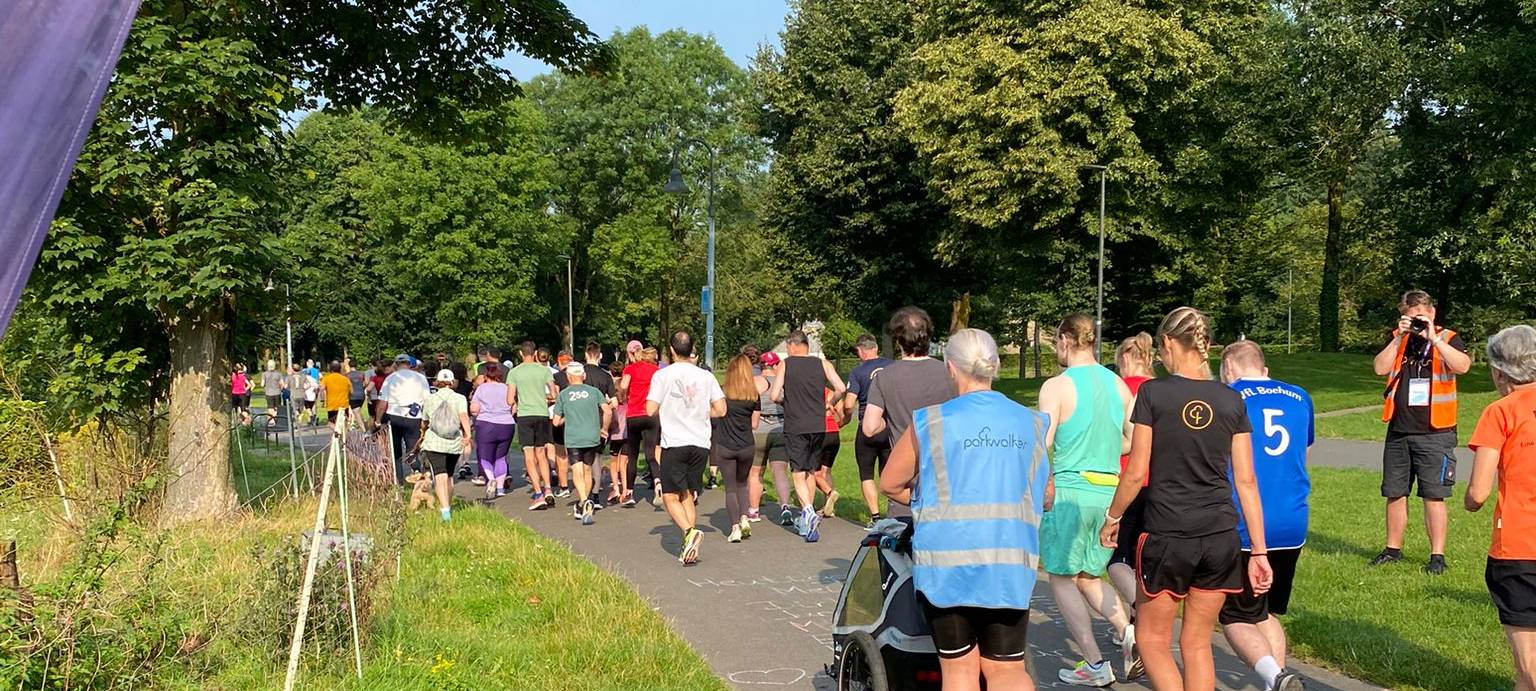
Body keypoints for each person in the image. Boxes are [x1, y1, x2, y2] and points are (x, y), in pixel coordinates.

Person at [1099, 306, 1273, 691]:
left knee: (1151, 639)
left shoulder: (1153, 393)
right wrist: (1259, 551)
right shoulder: (1231, 400)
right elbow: (1245, 480)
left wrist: (1113, 517)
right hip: (1220, 537)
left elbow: (1135, 470)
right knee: (1196, 643)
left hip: (1168, 535)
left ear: (1166, 344)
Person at [879, 328, 1050, 690]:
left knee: (959, 671)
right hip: (1008, 561)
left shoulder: (932, 421)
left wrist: (927, 503)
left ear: (950, 367)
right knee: (1007, 670)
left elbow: (890, 483)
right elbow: (1045, 495)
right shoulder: (1031, 422)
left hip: (948, 565)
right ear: (996, 365)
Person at [1036, 314, 1135, 686]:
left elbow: (1041, 444)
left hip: (1071, 488)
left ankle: (1094, 662)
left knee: (1060, 576)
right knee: (1089, 576)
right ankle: (1128, 632)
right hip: (1109, 489)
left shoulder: (1057, 386)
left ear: (1065, 340)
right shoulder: (1118, 385)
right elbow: (1130, 439)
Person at [1216, 340, 1313, 691]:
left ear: (1228, 369)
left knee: (1235, 615)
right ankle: (1280, 681)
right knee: (1266, 610)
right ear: (1264, 369)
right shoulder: (1300, 396)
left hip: (1245, 520)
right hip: (1293, 518)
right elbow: (1303, 448)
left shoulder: (1228, 398)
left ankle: (1276, 677)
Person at [1370, 289, 1471, 574]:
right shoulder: (1398, 339)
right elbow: (1379, 368)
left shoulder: (1448, 338)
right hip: (1399, 428)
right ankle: (1392, 550)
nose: (1416, 322)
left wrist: (1434, 338)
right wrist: (1400, 336)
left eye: (1421, 317)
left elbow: (1462, 366)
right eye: (1410, 317)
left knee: (1433, 494)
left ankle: (1437, 556)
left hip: (1435, 430)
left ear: (1432, 313)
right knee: (1394, 492)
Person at [1465, 324, 1536, 691]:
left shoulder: (1499, 412)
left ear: (1498, 371)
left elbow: (1478, 492)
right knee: (1521, 675)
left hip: (1520, 547)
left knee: (1529, 662)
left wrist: (1468, 500)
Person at [863, 306, 957, 518]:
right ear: (928, 336)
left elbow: (869, 428)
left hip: (905, 486)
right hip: (948, 482)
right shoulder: (950, 374)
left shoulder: (885, 377)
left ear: (898, 340)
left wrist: (890, 418)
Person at [645, 331, 726, 565]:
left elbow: (650, 408)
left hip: (675, 442)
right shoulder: (706, 376)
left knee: (670, 496)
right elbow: (721, 410)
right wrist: (700, 412)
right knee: (688, 494)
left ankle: (690, 532)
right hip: (701, 442)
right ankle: (689, 543)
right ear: (692, 349)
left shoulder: (662, 375)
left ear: (671, 350)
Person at [769, 330, 847, 543]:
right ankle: (807, 518)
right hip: (818, 424)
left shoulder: (787, 364)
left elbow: (774, 394)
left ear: (793, 346)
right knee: (811, 470)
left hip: (796, 424)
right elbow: (840, 387)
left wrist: (786, 401)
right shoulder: (822, 363)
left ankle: (808, 510)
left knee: (797, 472)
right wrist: (829, 403)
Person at [1106, 333, 1156, 635]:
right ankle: (1141, 623)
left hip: (1127, 482)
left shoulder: (1122, 391)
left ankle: (1140, 612)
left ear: (1125, 358)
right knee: (1144, 559)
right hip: (1161, 484)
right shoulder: (1162, 389)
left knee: (1117, 558)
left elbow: (1126, 440)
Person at [843, 333, 893, 526]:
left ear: (860, 351)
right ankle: (893, 514)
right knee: (889, 471)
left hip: (867, 426)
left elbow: (849, 403)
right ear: (876, 348)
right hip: (889, 425)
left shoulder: (857, 372)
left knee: (866, 473)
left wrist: (847, 415)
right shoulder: (892, 366)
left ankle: (875, 517)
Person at [553, 362, 612, 525]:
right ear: (584, 376)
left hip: (573, 437)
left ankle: (584, 500)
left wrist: (566, 418)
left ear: (568, 377)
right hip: (592, 436)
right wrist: (604, 428)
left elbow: (556, 421)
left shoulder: (564, 394)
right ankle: (584, 503)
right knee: (588, 470)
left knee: (577, 471)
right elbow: (607, 410)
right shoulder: (594, 392)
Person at [713, 354, 761, 543]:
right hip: (747, 445)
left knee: (730, 488)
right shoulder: (753, 395)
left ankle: (734, 528)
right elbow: (755, 424)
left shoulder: (723, 393)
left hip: (726, 445)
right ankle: (744, 516)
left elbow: (716, 414)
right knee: (743, 484)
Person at [508, 341, 560, 510]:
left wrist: (517, 400)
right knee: (542, 452)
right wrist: (545, 399)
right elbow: (554, 394)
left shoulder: (514, 372)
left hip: (525, 415)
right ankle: (548, 489)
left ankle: (538, 494)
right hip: (542, 414)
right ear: (536, 353)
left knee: (529, 455)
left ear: (521, 354)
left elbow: (509, 400)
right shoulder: (544, 370)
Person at [418, 368, 471, 522]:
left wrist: (422, 432)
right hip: (454, 442)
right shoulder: (460, 398)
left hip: (434, 442)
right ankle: (447, 504)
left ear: (438, 382)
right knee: (449, 476)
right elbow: (463, 416)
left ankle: (445, 510)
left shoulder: (430, 399)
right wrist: (468, 435)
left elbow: (425, 421)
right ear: (452, 382)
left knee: (439, 475)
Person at [751, 351, 794, 525]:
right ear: (776, 365)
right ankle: (785, 507)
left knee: (755, 473)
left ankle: (754, 511)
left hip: (758, 430)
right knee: (779, 472)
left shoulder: (754, 382)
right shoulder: (782, 383)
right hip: (780, 428)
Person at [618, 341, 661, 503]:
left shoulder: (630, 369)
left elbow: (623, 385)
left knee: (633, 455)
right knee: (651, 453)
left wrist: (624, 395)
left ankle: (628, 492)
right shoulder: (655, 371)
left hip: (634, 414)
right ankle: (657, 480)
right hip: (651, 414)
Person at [377, 354, 430, 485]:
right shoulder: (420, 378)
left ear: (396, 364)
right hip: (414, 416)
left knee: (396, 451)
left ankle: (398, 481)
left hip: (394, 415)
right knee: (413, 449)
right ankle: (417, 474)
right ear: (410, 365)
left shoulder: (391, 378)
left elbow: (382, 402)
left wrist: (378, 419)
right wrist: (427, 419)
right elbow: (427, 400)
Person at [469, 363, 516, 499]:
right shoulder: (507, 388)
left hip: (486, 425)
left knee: (485, 457)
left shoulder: (482, 389)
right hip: (506, 425)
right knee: (501, 457)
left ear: (485, 376)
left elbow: (474, 409)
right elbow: (513, 407)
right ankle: (500, 488)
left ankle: (491, 480)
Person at [812, 387, 844, 518]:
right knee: (827, 471)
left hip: (819, 432)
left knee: (812, 471)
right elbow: (841, 415)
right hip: (833, 433)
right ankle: (828, 507)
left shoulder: (811, 391)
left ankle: (830, 492)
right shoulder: (832, 393)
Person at [319, 360, 352, 429]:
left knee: (331, 423)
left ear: (330, 369)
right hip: (344, 405)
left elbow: (322, 389)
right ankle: (344, 437)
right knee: (344, 423)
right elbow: (351, 391)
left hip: (332, 405)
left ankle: (337, 432)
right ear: (340, 369)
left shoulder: (326, 378)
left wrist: (322, 400)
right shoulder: (345, 379)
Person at [260, 360, 284, 425]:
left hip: (268, 393)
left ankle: (272, 421)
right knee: (277, 407)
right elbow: (282, 384)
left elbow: (262, 384)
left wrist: (265, 386)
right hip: (277, 392)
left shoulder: (264, 374)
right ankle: (277, 418)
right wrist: (280, 389)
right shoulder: (279, 374)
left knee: (270, 407)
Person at [345, 358, 368, 425]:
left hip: (353, 396)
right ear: (356, 365)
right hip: (361, 395)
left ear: (349, 365)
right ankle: (365, 425)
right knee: (357, 411)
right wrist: (362, 387)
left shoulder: (347, 375)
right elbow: (366, 383)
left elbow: (347, 385)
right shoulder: (361, 374)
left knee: (356, 413)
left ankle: (364, 430)